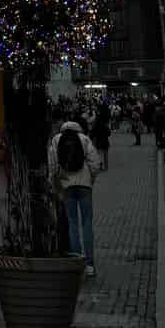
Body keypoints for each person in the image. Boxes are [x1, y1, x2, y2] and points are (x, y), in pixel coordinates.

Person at [48, 118, 101, 276]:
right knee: (86, 223)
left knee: (72, 223)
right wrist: (90, 179)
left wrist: (56, 185)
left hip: (66, 185)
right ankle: (90, 264)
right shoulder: (84, 139)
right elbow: (95, 163)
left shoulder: (56, 140)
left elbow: (52, 165)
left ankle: (77, 262)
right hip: (85, 185)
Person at [91, 101, 111, 171]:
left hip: (99, 139)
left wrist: (93, 136)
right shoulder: (105, 120)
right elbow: (109, 133)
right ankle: (106, 167)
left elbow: (94, 130)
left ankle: (100, 166)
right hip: (105, 139)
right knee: (105, 154)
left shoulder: (97, 119)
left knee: (99, 154)